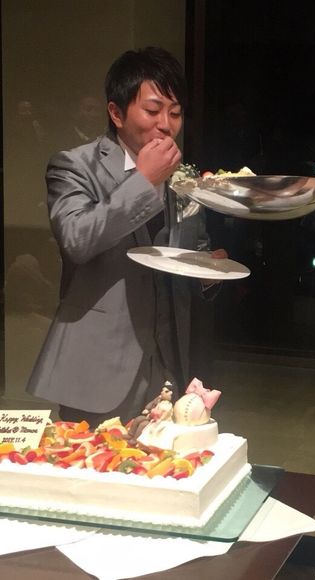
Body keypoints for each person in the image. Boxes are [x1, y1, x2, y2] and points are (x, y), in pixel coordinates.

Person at [27, 47, 226, 426]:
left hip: (171, 365)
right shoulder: (74, 166)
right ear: (116, 113)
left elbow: (191, 255)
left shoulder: (183, 177)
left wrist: (208, 274)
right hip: (98, 368)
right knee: (94, 462)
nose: (166, 124)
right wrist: (144, 180)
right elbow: (77, 239)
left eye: (175, 112)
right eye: (152, 110)